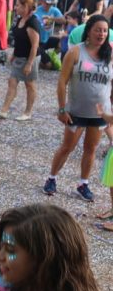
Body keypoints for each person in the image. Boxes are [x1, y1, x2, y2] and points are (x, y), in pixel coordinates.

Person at [43, 15, 112, 202]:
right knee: (67, 147)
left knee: (91, 148)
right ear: (89, 31)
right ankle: (51, 178)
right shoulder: (75, 52)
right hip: (76, 111)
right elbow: (62, 81)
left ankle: (83, 183)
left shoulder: (110, 54)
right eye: (98, 30)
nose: (101, 34)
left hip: (100, 113)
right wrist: (61, 109)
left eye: (105, 31)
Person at [0, 0, 40, 121]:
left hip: (30, 58)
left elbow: (35, 46)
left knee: (29, 84)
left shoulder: (32, 22)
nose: (15, 8)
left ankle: (28, 112)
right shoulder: (20, 19)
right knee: (12, 81)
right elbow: (19, 40)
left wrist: (29, 64)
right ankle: (4, 111)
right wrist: (14, 55)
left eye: (18, 5)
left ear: (25, 7)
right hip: (19, 56)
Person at [34, 0, 66, 69]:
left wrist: (52, 18)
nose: (48, 6)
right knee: (49, 66)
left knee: (62, 42)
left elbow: (64, 20)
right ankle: (40, 60)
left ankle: (51, 55)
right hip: (38, 41)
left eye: (50, 4)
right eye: (46, 4)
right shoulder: (37, 10)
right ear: (42, 2)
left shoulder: (54, 10)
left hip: (47, 39)